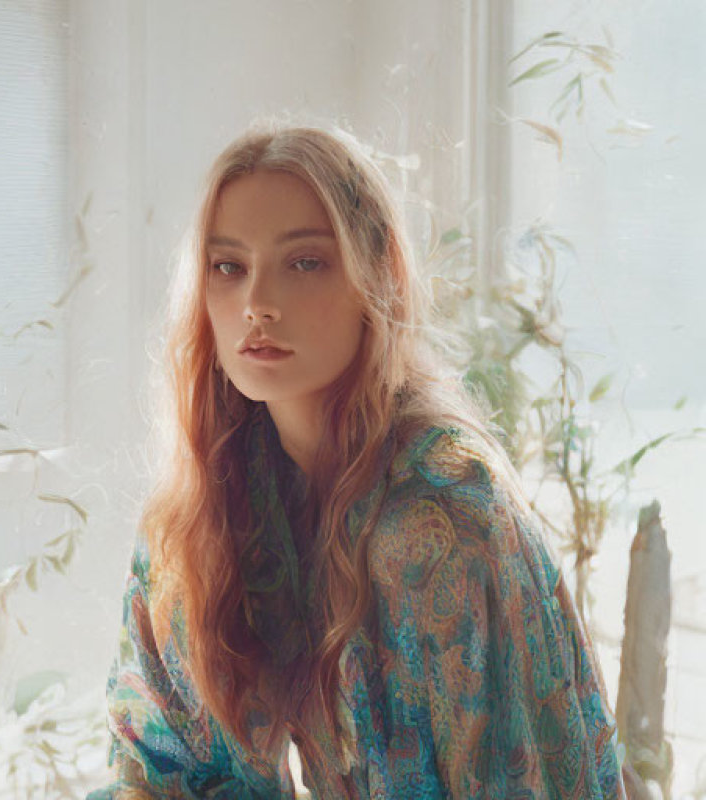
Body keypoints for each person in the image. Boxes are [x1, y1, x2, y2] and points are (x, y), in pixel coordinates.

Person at [87, 120, 627, 798]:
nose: (256, 304)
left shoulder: (444, 520)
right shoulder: (200, 517)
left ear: (376, 280)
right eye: (229, 267)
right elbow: (155, 769)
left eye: (304, 263)